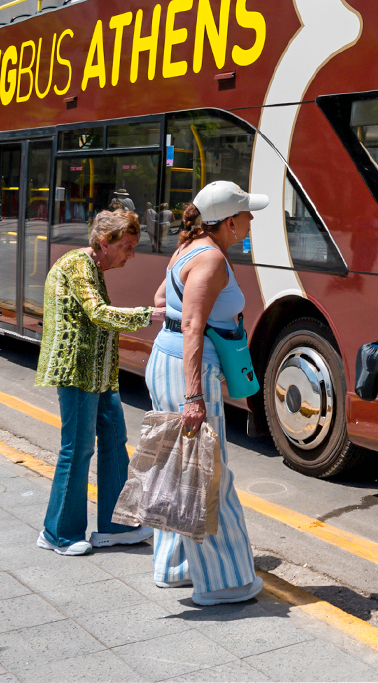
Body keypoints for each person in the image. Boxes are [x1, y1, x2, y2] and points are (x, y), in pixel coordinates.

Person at [147, 180, 269, 604]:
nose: (252, 219)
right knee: (207, 472)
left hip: (163, 363)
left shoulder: (188, 248)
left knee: (176, 466)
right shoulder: (213, 259)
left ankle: (175, 567)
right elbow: (192, 327)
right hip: (184, 369)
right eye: (247, 214)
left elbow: (162, 299)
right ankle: (225, 583)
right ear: (230, 222)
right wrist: (194, 395)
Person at [34, 207, 157, 556]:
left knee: (115, 441)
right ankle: (57, 533)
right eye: (128, 246)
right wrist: (150, 314)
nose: (132, 255)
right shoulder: (77, 264)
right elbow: (97, 313)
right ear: (105, 243)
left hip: (99, 374)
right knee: (77, 449)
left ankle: (115, 527)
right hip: (77, 372)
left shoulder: (94, 266)